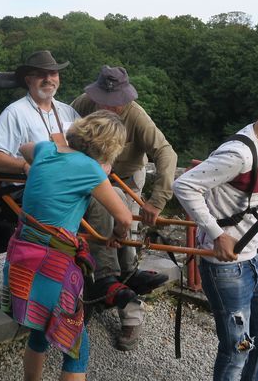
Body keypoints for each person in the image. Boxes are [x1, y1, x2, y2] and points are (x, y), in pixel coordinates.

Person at [172, 75, 258, 381]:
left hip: (251, 257)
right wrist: (216, 233)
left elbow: (253, 195)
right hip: (224, 266)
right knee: (238, 347)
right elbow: (184, 185)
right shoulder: (239, 153)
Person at [1, 111, 133, 381]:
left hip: (20, 256)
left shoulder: (45, 149)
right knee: (75, 347)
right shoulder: (91, 169)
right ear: (111, 148)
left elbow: (24, 149)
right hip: (51, 264)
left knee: (40, 330)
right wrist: (116, 236)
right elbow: (124, 217)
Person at [71, 65, 177, 351]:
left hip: (126, 180)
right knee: (84, 240)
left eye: (113, 103)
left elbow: (166, 152)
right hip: (88, 180)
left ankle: (130, 312)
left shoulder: (137, 115)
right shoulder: (82, 105)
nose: (106, 107)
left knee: (124, 242)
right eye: (102, 101)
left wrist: (157, 200)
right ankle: (89, 298)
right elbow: (62, 136)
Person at [0, 50, 79, 175]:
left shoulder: (69, 111)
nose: (48, 79)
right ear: (28, 81)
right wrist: (25, 166)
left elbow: (90, 142)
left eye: (53, 73)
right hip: (33, 186)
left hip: (70, 180)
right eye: (40, 74)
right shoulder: (15, 113)